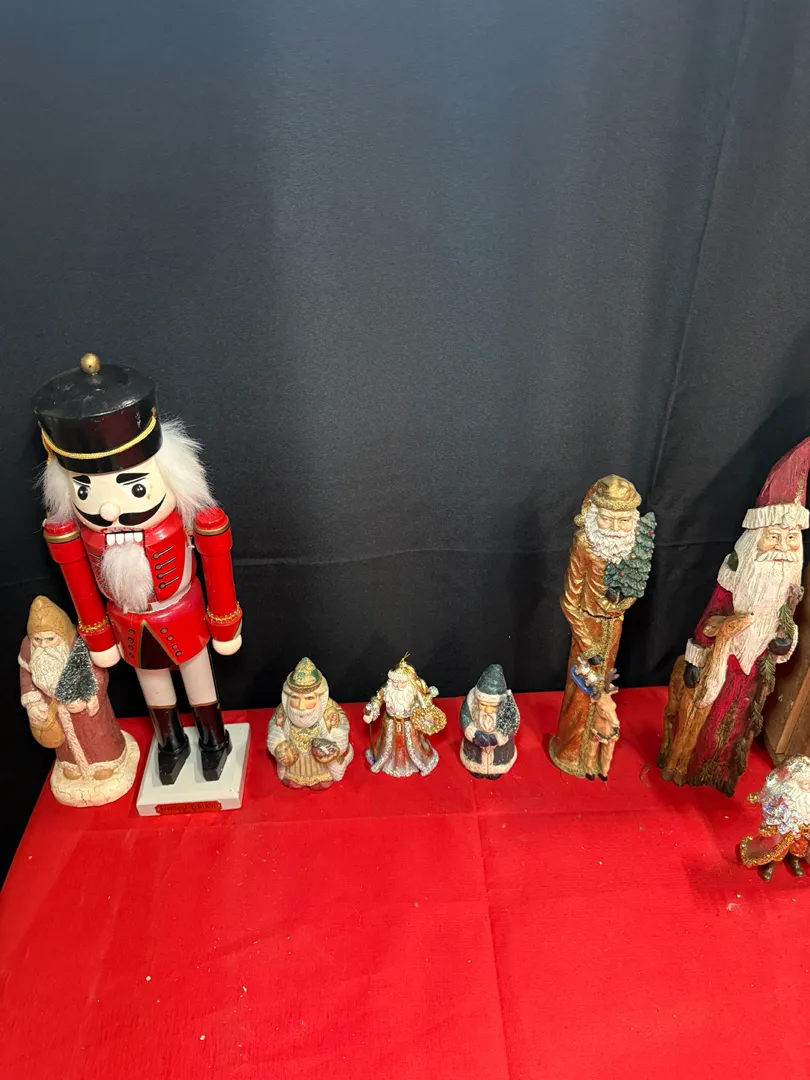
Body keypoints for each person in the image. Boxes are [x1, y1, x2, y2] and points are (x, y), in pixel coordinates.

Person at [33, 353, 242, 784]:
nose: (110, 509)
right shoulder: (80, 538)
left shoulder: (191, 522)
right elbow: (80, 584)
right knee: (152, 684)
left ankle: (213, 738)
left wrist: (225, 625)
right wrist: (98, 635)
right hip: (128, 620)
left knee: (198, 677)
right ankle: (170, 742)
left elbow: (217, 566)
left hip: (182, 612)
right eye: (87, 492)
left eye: (133, 488)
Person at [659, 437, 810, 795]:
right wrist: (698, 655)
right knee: (703, 718)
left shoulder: (788, 586)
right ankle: (688, 765)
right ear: (756, 538)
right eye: (774, 537)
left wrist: (783, 642)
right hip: (722, 660)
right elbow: (711, 614)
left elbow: (786, 622)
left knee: (737, 723)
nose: (782, 548)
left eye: (791, 539)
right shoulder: (735, 576)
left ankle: (719, 772)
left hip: (755, 668)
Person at [550, 475, 655, 778]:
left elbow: (633, 588)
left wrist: (621, 605)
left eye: (623, 521)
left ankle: (593, 753)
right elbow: (569, 601)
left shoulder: (631, 546)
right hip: (587, 627)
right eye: (607, 519)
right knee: (581, 692)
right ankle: (571, 751)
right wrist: (586, 643)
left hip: (614, 627)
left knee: (604, 690)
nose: (614, 528)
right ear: (595, 515)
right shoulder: (585, 543)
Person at [19, 595, 139, 805]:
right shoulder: (29, 650)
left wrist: (87, 698)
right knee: (65, 744)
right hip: (55, 710)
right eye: (38, 640)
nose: (43, 645)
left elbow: (98, 674)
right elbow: (26, 677)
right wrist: (33, 703)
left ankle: (106, 764)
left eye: (50, 639)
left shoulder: (79, 648)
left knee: (97, 737)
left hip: (87, 712)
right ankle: (71, 766)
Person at [267, 658, 353, 789]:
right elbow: (275, 728)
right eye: (295, 698)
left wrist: (332, 748)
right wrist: (279, 745)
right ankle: (294, 777)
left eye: (309, 698)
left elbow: (341, 729)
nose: (301, 706)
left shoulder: (329, 712)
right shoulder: (283, 712)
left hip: (320, 761)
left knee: (322, 782)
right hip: (294, 759)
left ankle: (321, 778)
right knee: (293, 780)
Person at [364, 655, 446, 777]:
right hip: (390, 723)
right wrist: (371, 711)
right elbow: (377, 699)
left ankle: (415, 762)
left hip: (409, 723)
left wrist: (427, 714)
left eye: (402, 683)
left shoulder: (414, 691)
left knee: (413, 745)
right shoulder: (387, 689)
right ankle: (388, 762)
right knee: (388, 744)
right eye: (394, 682)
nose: (397, 686)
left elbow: (425, 705)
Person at [740, 756, 810, 880]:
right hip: (786, 828)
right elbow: (776, 810)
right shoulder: (789, 795)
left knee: (801, 845)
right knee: (780, 846)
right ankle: (772, 863)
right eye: (806, 783)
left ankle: (795, 859)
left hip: (803, 829)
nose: (809, 787)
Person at [459, 664, 520, 779]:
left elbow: (511, 725)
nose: (487, 710)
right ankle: (476, 768)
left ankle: (495, 770)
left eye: (493, 706)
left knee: (499, 758)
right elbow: (465, 718)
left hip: (499, 749)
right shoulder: (470, 704)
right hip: (475, 746)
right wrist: (474, 734)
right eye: (483, 705)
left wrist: (497, 738)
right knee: (475, 756)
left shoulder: (508, 707)